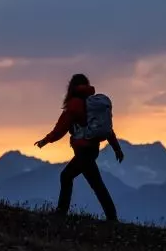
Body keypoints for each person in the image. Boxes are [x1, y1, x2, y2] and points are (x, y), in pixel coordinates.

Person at [35, 73, 124, 222]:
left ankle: (61, 213)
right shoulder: (91, 102)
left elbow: (61, 128)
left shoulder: (74, 104)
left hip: (83, 151)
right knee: (96, 183)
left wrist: (46, 140)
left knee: (67, 176)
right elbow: (107, 129)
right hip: (92, 150)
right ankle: (112, 218)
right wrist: (117, 148)